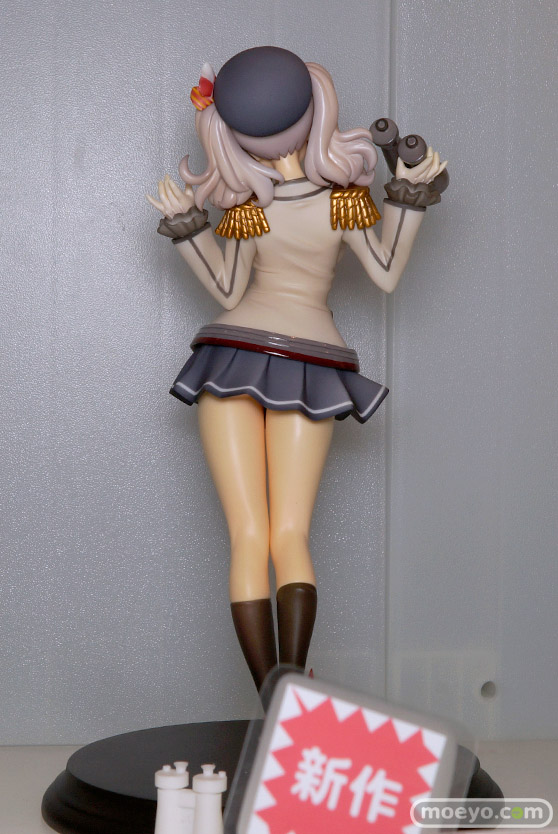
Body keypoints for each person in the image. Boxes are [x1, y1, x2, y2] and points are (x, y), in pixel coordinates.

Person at [148, 46, 446, 693]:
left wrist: (188, 229)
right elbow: (386, 272)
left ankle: (273, 695)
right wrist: (412, 198)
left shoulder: (250, 208)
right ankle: (288, 690)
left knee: (250, 534)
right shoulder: (341, 202)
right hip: (307, 363)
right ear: (317, 108)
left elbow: (228, 290)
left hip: (230, 356)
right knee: (288, 533)